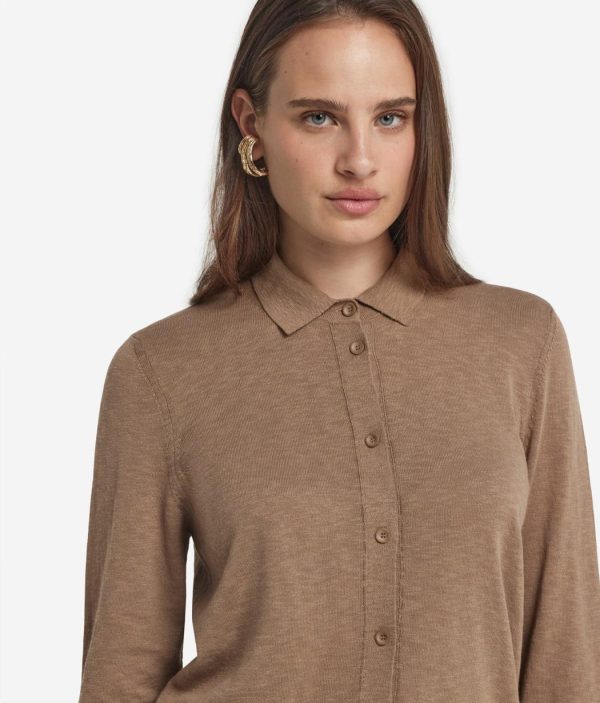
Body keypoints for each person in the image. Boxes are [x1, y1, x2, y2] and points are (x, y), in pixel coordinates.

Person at [77, 1, 600, 701]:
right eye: (319, 117)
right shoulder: (161, 372)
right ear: (252, 125)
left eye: (391, 118)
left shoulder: (521, 343)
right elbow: (121, 673)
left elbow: (567, 655)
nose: (359, 160)